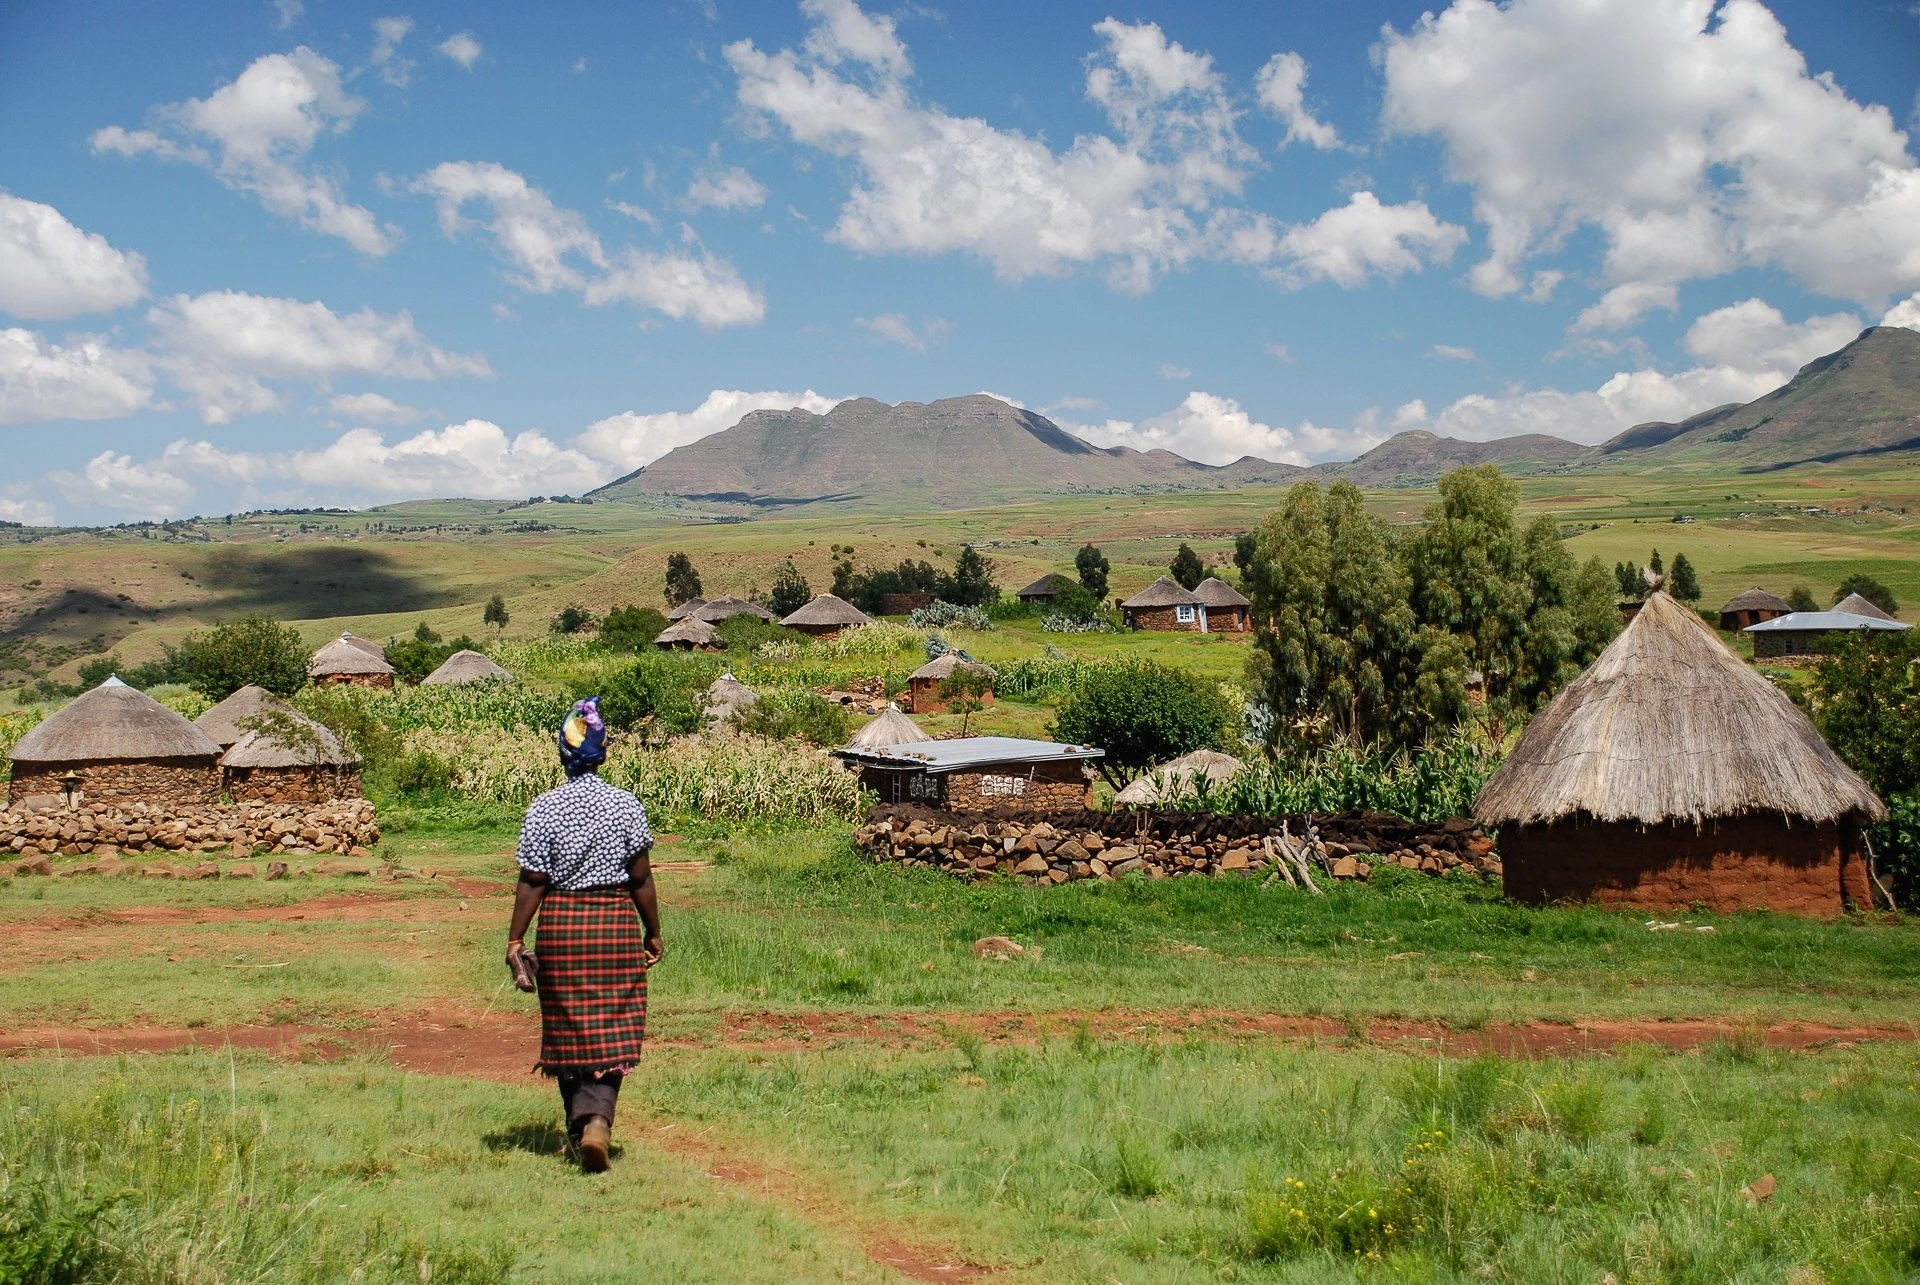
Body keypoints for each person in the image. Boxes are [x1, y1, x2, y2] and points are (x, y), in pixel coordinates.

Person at [506, 696, 662, 1173]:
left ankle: (582, 1126)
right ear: (603, 751)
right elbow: (641, 878)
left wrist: (516, 939)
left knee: (569, 1026)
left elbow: (532, 881)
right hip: (613, 927)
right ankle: (597, 1121)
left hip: (562, 929)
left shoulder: (544, 808)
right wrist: (652, 932)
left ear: (563, 753)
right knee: (612, 1025)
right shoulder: (625, 805)